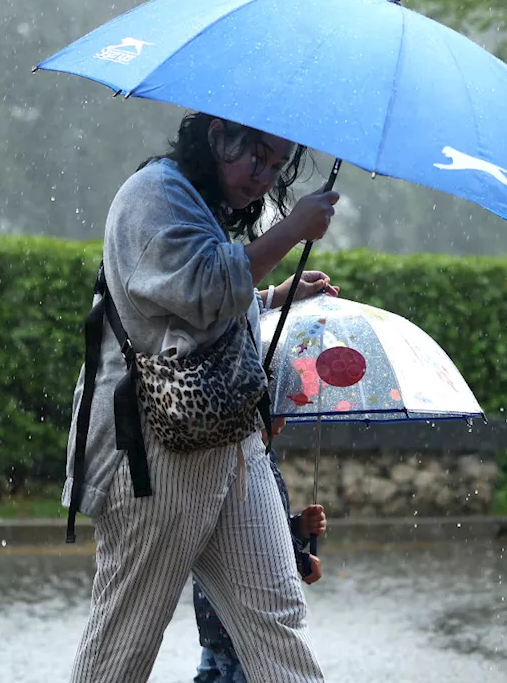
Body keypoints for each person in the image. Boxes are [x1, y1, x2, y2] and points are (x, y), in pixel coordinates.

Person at [64, 110, 340, 682]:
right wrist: (292, 232)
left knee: (275, 618)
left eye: (278, 164)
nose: (265, 177)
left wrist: (271, 297)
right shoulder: (154, 195)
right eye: (256, 156)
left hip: (232, 445)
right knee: (127, 635)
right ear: (217, 135)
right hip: (155, 449)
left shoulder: (203, 205)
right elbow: (203, 290)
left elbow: (200, 319)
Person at [193, 438, 327, 683]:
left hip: (219, 621)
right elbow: (246, 540)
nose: (282, 420)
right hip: (237, 619)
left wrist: (299, 529)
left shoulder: (265, 461)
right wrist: (300, 558)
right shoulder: (227, 461)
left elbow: (268, 537)